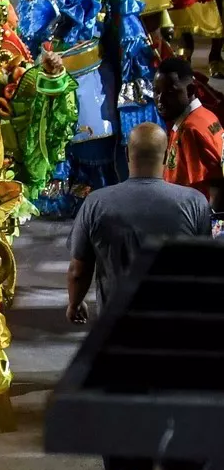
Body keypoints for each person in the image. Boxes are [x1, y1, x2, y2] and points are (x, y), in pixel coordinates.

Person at [66, 123, 211, 322]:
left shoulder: (96, 203)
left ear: (127, 154)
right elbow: (204, 266)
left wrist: (75, 303)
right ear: (168, 155)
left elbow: (78, 270)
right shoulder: (195, 202)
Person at [156, 56, 224, 212]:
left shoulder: (189, 130)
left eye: (170, 92)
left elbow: (213, 186)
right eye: (157, 91)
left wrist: (205, 230)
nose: (160, 100)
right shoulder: (206, 115)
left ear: (191, 90)